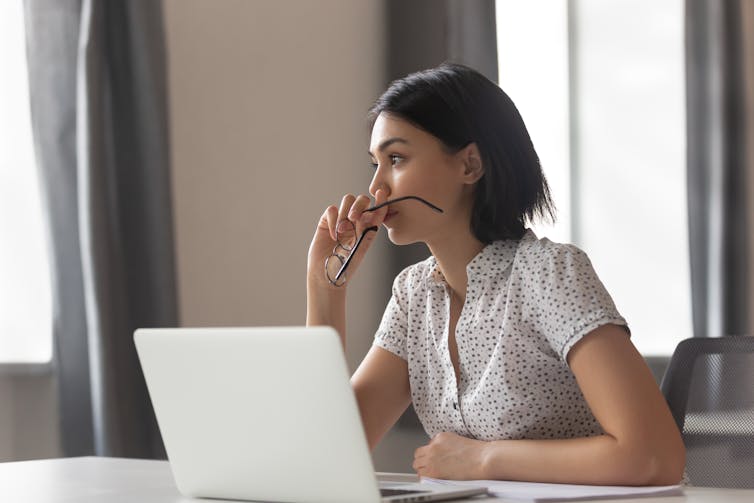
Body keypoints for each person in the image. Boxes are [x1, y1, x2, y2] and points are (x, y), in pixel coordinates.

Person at [306, 63, 685, 485]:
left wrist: (484, 460)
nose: (377, 189)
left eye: (396, 159)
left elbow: (653, 457)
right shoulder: (414, 295)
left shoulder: (549, 274)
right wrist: (325, 289)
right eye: (375, 163)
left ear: (470, 165)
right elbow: (328, 450)